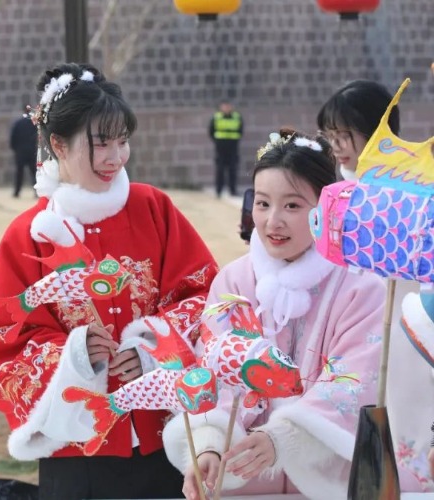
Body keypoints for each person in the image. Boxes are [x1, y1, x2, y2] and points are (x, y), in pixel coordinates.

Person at [0, 62, 219, 500]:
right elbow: (5, 337)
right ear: (58, 144)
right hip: (77, 450)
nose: (116, 157)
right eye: (101, 143)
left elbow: (204, 292)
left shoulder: (153, 208)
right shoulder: (27, 235)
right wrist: (75, 355)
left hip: (164, 433)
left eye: (123, 141)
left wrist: (153, 348)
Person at [164, 129, 386, 499]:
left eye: (293, 206)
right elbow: (214, 372)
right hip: (242, 481)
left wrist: (284, 438)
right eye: (263, 203)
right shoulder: (234, 281)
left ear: (325, 207)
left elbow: (354, 381)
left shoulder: (361, 287)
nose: (273, 221)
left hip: (328, 484)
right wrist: (208, 446)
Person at [319, 80, 434, 492]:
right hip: (349, 332)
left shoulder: (417, 189)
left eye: (345, 134)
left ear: (377, 128)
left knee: (406, 418)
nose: (337, 146)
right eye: (330, 136)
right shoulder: (332, 196)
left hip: (406, 324)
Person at [209, 101, 243, 198]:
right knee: (220, 170)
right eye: (224, 106)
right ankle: (218, 191)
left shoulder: (237, 117)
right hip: (220, 147)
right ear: (221, 107)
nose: (226, 108)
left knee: (233, 169)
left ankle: (232, 190)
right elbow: (211, 131)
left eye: (228, 106)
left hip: (232, 147)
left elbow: (240, 131)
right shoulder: (216, 117)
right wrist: (217, 141)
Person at [9, 103, 39, 198]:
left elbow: (13, 138)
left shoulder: (18, 123)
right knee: (34, 173)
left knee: (19, 173)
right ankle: (37, 191)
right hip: (31, 151)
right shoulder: (33, 124)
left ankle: (17, 192)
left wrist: (15, 149)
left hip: (20, 152)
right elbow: (38, 136)